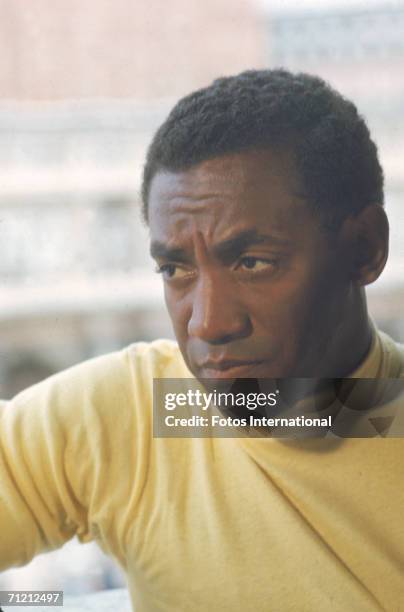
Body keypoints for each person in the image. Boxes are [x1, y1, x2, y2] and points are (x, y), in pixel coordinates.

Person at [1, 69, 404, 611]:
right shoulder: (145, 411)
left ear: (365, 249)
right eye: (175, 270)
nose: (207, 324)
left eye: (253, 262)